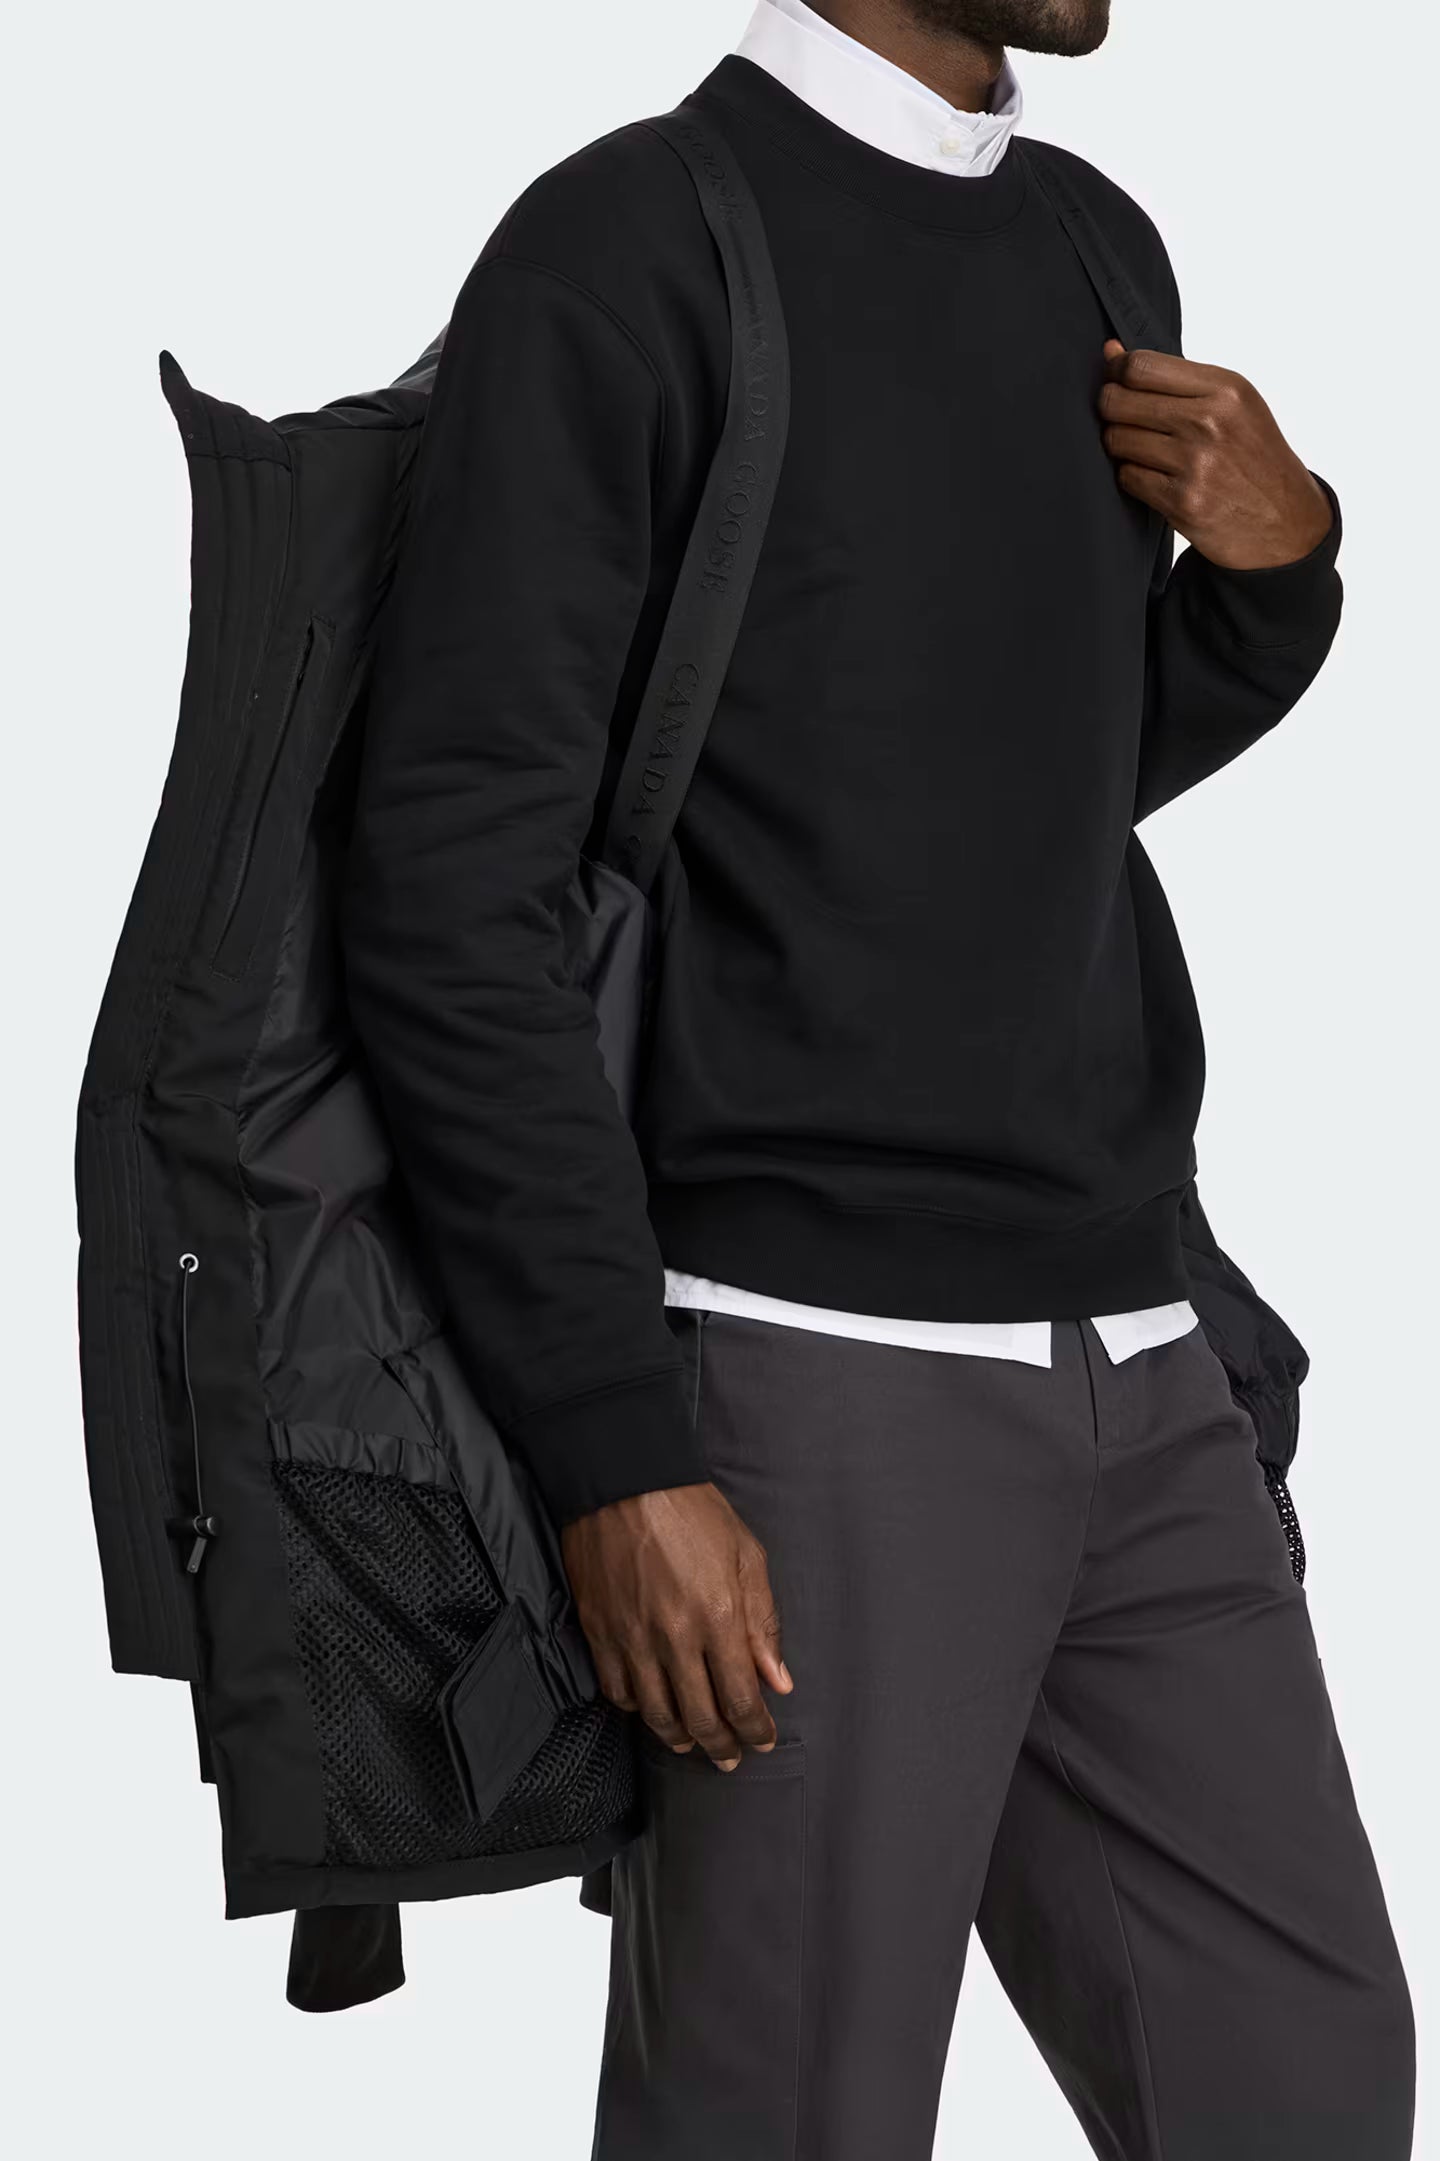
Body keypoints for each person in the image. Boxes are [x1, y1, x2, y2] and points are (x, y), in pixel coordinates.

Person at [342, 1, 1415, 2152]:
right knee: (788, 2116)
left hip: (1144, 1358)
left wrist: (1280, 579)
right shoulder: (628, 245)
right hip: (807, 1392)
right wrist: (617, 1453)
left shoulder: (1096, 244)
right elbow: (451, 897)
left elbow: (992, 790)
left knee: (1304, 2084)